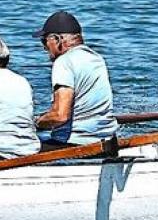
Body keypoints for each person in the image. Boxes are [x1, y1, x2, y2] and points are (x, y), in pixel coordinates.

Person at [33, 11, 118, 148]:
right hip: (106, 139)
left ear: (57, 40)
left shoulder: (63, 62)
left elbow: (60, 116)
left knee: (21, 147)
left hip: (74, 143)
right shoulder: (97, 58)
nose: (44, 47)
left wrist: (36, 123)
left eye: (44, 41)